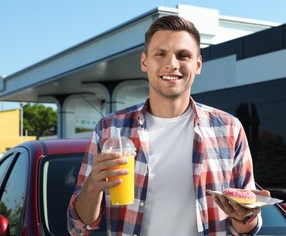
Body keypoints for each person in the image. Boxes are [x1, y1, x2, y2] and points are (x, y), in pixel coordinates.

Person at [67, 15, 270, 235]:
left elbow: (247, 227)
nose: (171, 64)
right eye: (160, 54)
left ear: (198, 65)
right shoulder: (109, 130)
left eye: (183, 55)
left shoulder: (229, 129)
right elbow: (79, 227)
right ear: (145, 62)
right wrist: (93, 186)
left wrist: (245, 217)